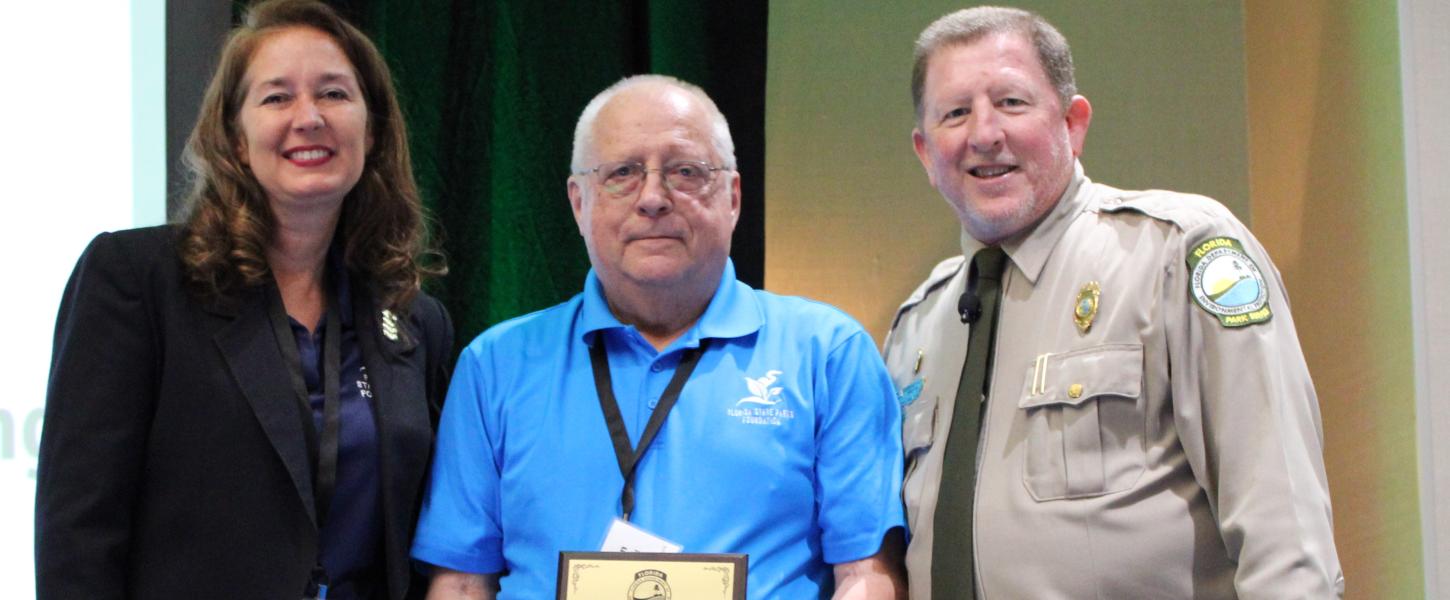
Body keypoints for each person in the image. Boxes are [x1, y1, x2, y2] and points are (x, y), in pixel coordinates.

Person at [886, 6, 1343, 599]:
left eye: (1011, 103)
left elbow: (1285, 530)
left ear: (1073, 124)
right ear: (925, 151)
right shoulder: (915, 329)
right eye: (955, 113)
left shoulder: (1179, 252)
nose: (984, 133)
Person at [410, 75, 906, 599]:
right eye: (622, 173)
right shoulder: (495, 365)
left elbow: (867, 573)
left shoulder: (827, 353)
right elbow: (462, 582)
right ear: (578, 202)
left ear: (733, 197)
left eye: (685, 172)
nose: (652, 198)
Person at [35, 1, 453, 598]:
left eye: (334, 94)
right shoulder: (137, 280)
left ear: (373, 128)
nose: (309, 118)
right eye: (277, 97)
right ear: (234, 139)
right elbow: (77, 533)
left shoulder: (416, 322)